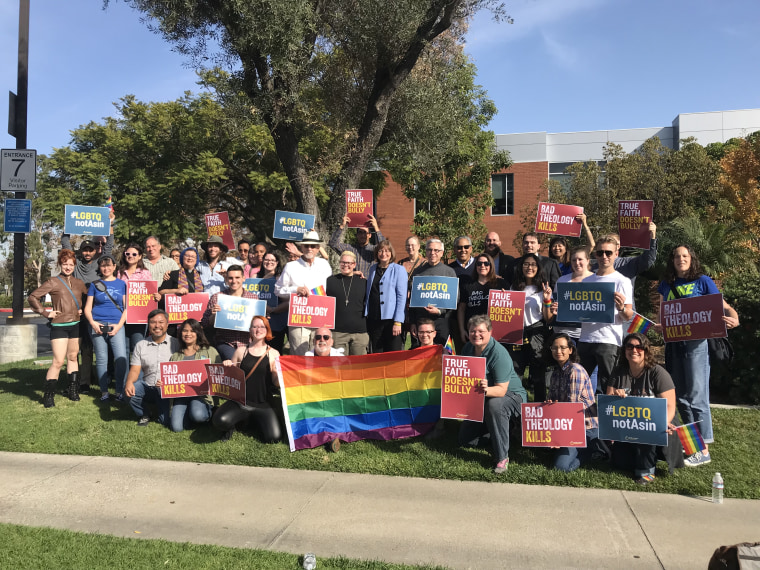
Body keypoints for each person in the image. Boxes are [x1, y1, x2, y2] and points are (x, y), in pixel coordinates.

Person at [656, 244, 739, 467]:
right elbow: (663, 313)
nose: (680, 259)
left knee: (697, 395)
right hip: (674, 343)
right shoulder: (667, 284)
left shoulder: (703, 281)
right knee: (681, 396)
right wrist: (660, 326)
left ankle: (704, 448)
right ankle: (693, 446)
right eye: (676, 256)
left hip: (696, 345)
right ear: (672, 260)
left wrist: (734, 317)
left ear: (691, 259)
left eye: (684, 256)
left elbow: (724, 307)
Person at [458, 315, 527, 474]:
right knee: (466, 441)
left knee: (495, 404)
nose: (476, 334)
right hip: (483, 396)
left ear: (490, 332)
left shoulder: (498, 353)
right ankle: (505, 431)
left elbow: (501, 390)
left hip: (512, 396)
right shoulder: (468, 348)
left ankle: (502, 457)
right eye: (473, 331)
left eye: (481, 331)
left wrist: (485, 390)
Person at [607, 333, 678, 484]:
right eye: (629, 346)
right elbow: (608, 400)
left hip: (655, 425)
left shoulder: (657, 372)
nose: (634, 350)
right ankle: (637, 459)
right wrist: (615, 395)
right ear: (624, 350)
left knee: (645, 433)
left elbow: (670, 405)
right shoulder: (618, 371)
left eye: (639, 347)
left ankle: (647, 470)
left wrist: (663, 423)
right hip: (627, 425)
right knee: (620, 464)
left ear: (646, 350)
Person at [61, 212, 115, 392]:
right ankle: (81, 382)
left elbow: (108, 248)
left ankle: (99, 378)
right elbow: (65, 245)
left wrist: (111, 225)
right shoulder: (75, 263)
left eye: (90, 250)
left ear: (94, 251)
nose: (87, 252)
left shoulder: (99, 264)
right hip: (76, 309)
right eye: (84, 250)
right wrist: (67, 225)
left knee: (95, 346)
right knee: (79, 346)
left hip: (95, 309)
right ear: (80, 252)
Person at [28, 249, 88, 406]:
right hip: (59, 325)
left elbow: (89, 298)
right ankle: (48, 395)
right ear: (60, 264)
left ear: (74, 265)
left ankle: (73, 390)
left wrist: (83, 307)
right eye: (65, 264)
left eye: (70, 264)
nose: (68, 267)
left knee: (73, 357)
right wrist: (45, 313)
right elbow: (33, 297)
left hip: (76, 325)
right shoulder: (53, 282)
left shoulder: (79, 283)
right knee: (58, 361)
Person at [577, 237, 633, 395]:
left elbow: (628, 315)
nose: (604, 256)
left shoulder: (623, 281)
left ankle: (605, 418)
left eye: (608, 252)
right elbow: (579, 309)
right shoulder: (586, 281)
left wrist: (621, 308)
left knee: (609, 386)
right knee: (579, 386)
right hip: (585, 339)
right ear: (595, 254)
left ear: (616, 253)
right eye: (600, 253)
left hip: (609, 341)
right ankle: (584, 419)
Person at [214, 316, 284, 443]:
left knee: (274, 438)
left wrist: (280, 375)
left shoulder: (274, 353)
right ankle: (234, 425)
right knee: (220, 421)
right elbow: (230, 378)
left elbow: (276, 383)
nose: (258, 329)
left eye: (262, 326)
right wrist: (227, 366)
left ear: (267, 330)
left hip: (264, 404)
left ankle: (250, 421)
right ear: (250, 330)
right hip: (241, 402)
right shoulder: (241, 351)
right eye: (255, 326)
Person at [544, 333, 600, 472]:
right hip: (565, 424)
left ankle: (592, 452)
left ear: (571, 350)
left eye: (563, 347)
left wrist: (558, 438)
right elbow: (552, 400)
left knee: (560, 467)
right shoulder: (556, 372)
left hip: (584, 428)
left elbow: (571, 410)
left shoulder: (575, 371)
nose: (558, 351)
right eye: (555, 348)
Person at [275, 230, 333, 355]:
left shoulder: (325, 265)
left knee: (321, 355)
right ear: (301, 246)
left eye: (313, 246)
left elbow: (331, 288)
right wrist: (295, 289)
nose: (309, 249)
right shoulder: (291, 266)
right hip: (299, 320)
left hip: (320, 317)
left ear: (318, 248)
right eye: (306, 245)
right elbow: (278, 290)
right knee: (299, 355)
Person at [84, 255, 128, 402]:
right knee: (102, 359)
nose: (106, 268)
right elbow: (87, 308)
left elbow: (127, 308)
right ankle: (104, 392)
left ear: (114, 267)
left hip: (116, 325)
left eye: (109, 265)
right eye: (103, 265)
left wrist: (119, 326)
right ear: (100, 268)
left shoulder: (121, 284)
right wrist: (93, 323)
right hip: (98, 325)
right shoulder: (94, 284)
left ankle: (120, 391)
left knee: (121, 358)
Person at [124, 309, 180, 427]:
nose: (157, 326)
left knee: (164, 421)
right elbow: (135, 369)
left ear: (167, 324)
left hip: (166, 390)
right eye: (153, 322)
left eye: (161, 322)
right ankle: (144, 413)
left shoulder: (176, 344)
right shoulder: (141, 345)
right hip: (148, 386)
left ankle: (162, 409)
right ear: (148, 324)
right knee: (129, 391)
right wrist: (129, 382)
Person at [509, 253, 552, 402]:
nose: (529, 267)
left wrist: (547, 300)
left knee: (538, 376)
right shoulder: (513, 287)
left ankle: (539, 413)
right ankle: (516, 411)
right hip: (516, 334)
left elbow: (548, 318)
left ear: (538, 268)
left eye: (533, 264)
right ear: (521, 267)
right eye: (526, 264)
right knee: (516, 373)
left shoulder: (543, 288)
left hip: (537, 334)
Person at [164, 319, 219, 433]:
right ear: (180, 333)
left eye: (192, 331)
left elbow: (220, 372)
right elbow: (171, 378)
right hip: (181, 395)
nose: (188, 334)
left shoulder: (209, 351)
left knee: (198, 415)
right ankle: (190, 413)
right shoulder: (175, 356)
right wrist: (163, 383)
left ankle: (207, 414)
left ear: (198, 333)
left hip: (201, 395)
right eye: (185, 331)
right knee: (176, 427)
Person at [201, 265, 258, 360]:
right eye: (230, 278)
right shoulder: (217, 297)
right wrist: (214, 316)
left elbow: (258, 323)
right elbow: (205, 323)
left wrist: (261, 319)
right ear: (226, 279)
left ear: (244, 278)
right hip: (225, 342)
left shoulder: (253, 299)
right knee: (234, 362)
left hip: (247, 342)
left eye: (237, 277)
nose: (234, 281)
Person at [409, 238, 458, 346]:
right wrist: (412, 322)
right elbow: (412, 299)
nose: (432, 253)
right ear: (425, 252)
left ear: (442, 253)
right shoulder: (418, 272)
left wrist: (440, 311)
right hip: (421, 321)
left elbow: (455, 298)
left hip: (441, 321)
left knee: (441, 353)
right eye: (429, 250)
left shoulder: (449, 272)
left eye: (436, 250)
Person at [117, 242, 159, 358]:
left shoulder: (145, 273)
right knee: (123, 349)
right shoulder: (119, 273)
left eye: (134, 254)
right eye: (128, 253)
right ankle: (124, 376)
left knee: (137, 348)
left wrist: (156, 296)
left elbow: (150, 294)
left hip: (139, 318)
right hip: (121, 315)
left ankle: (139, 377)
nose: (131, 256)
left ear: (140, 256)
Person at [543, 246, 595, 341]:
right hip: (562, 333)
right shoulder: (562, 280)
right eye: (573, 260)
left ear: (587, 260)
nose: (577, 263)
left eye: (580, 259)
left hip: (586, 334)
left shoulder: (596, 280)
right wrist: (554, 307)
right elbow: (556, 304)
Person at [365, 240, 407, 353]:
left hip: (391, 320)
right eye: (380, 250)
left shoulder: (399, 270)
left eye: (387, 251)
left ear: (391, 253)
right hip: (374, 319)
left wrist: (398, 322)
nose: (384, 253)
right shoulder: (372, 269)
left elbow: (401, 297)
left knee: (393, 354)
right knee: (377, 354)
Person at [326, 251, 369, 355]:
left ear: (354, 264)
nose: (346, 265)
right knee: (339, 367)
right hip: (338, 332)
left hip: (359, 332)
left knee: (359, 366)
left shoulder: (363, 282)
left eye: (349, 263)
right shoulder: (331, 281)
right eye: (343, 262)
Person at [457, 253, 506, 343]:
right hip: (473, 332)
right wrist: (461, 330)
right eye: (479, 264)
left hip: (494, 332)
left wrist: (507, 296)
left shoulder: (501, 284)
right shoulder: (468, 285)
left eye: (486, 263)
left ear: (491, 265)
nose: (482, 266)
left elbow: (511, 308)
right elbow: (461, 309)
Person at [258, 251, 289, 354]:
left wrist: (272, 310)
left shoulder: (280, 279)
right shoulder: (255, 277)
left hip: (275, 323)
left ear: (277, 262)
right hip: (258, 322)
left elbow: (287, 302)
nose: (269, 262)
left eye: (272, 260)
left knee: (273, 353)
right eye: (266, 259)